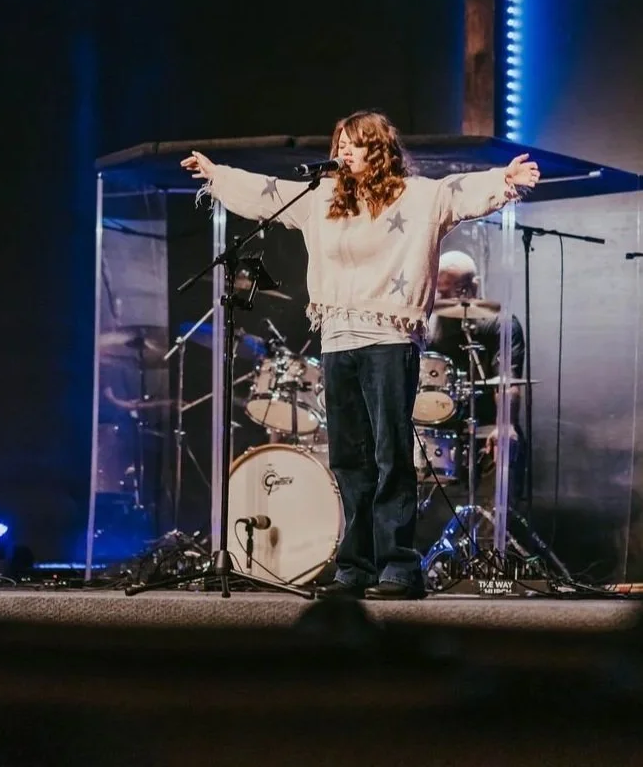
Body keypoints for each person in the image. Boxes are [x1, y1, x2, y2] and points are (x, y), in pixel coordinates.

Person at [181, 111, 539, 599]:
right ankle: (355, 568)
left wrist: (505, 179)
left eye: (354, 143)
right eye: (340, 144)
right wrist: (217, 175)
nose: (343, 151)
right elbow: (270, 192)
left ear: (380, 148)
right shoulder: (322, 198)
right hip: (337, 341)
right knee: (349, 459)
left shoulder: (418, 197)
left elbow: (460, 191)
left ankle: (399, 567)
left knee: (391, 454)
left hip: (390, 339)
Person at [426, 249, 526, 495]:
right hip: (436, 426)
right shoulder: (427, 326)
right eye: (439, 290)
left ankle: (492, 517)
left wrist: (505, 425)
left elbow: (508, 382)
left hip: (486, 425)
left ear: (472, 287)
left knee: (504, 446)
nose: (442, 297)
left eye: (450, 291)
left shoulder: (501, 324)